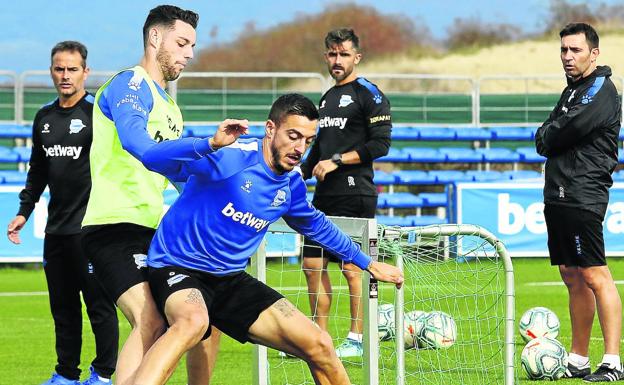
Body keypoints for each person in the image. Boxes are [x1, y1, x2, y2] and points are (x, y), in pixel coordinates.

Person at [129, 93, 404, 385]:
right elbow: (152, 158)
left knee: (320, 345)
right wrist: (209, 144)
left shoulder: (291, 183)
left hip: (230, 280)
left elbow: (315, 225)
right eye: (293, 136)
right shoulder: (231, 157)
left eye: (308, 141)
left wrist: (367, 263)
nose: (300, 148)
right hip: (179, 268)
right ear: (271, 129)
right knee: (194, 321)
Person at [79, 5, 218, 385]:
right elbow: (137, 142)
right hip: (113, 227)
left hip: (153, 232)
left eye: (192, 45)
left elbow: (178, 175)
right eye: (182, 42)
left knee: (200, 315)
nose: (189, 53)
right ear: (155, 38)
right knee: (151, 319)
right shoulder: (130, 84)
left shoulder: (171, 107)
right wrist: (201, 146)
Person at [6, 41, 118, 385]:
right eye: (59, 68)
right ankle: (66, 374)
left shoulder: (97, 114)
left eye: (72, 69)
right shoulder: (44, 117)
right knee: (63, 310)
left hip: (90, 230)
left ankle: (102, 375)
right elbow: (37, 169)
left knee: (99, 307)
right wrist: (24, 210)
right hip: (55, 232)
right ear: (51, 71)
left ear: (86, 72)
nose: (65, 75)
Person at [535, 22, 622, 382]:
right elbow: (545, 135)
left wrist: (551, 133)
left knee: (594, 273)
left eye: (575, 50)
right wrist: (551, 133)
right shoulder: (572, 91)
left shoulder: (600, 89)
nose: (568, 57)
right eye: (564, 50)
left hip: (582, 193)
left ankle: (613, 362)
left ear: (594, 53)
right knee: (572, 275)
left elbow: (560, 132)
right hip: (558, 194)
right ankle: (578, 358)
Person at [299, 28, 392, 358]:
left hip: (356, 192)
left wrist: (337, 161)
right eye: (331, 54)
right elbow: (318, 149)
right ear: (326, 56)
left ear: (357, 57)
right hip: (324, 195)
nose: (337, 60)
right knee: (312, 264)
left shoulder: (369, 93)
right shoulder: (325, 99)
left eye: (343, 54)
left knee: (353, 268)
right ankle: (317, 337)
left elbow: (380, 144)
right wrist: (300, 172)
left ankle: (357, 337)